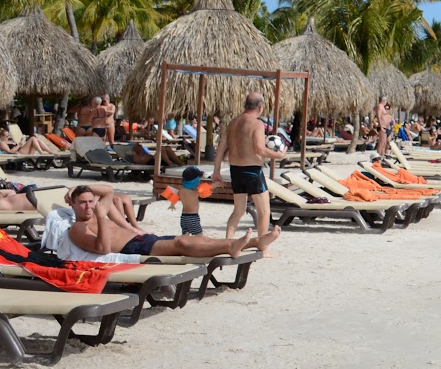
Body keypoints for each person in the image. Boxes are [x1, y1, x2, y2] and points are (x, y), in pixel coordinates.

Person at [62, 184, 276, 260]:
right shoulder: (78, 228)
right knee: (182, 244)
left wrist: (77, 187)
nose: (88, 206)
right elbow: (104, 249)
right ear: (72, 205)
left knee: (198, 238)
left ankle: (256, 242)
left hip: (142, 239)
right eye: (82, 203)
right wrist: (100, 216)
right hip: (131, 248)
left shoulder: (95, 208)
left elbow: (108, 190)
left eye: (91, 201)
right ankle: (231, 246)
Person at [212, 91, 282, 254]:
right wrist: (278, 155)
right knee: (264, 211)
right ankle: (262, 248)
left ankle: (228, 243)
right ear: (260, 107)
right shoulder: (256, 124)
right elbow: (260, 148)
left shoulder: (233, 123)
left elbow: (221, 148)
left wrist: (216, 171)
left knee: (239, 211)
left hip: (235, 170)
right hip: (252, 171)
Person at [176, 165, 206, 236]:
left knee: (185, 237)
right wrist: (216, 184)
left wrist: (172, 205)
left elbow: (174, 197)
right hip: (193, 217)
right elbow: (207, 188)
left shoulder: (181, 190)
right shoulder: (193, 193)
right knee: (199, 237)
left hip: (183, 217)